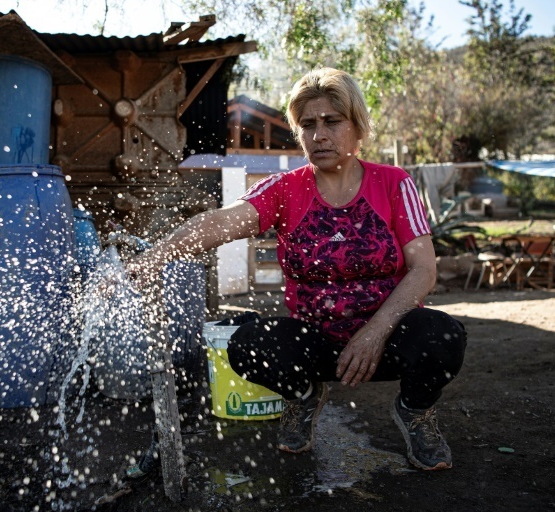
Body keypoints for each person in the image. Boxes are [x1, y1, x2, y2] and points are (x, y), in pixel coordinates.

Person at [126, 67, 467, 471]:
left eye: (332, 121)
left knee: (443, 335)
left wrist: (375, 331)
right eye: (307, 124)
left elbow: (424, 270)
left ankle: (415, 411)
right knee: (247, 344)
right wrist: (156, 255)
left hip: (387, 338)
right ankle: (303, 397)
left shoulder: (394, 183)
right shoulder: (285, 188)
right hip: (317, 343)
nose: (319, 135)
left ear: (358, 126)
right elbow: (220, 222)